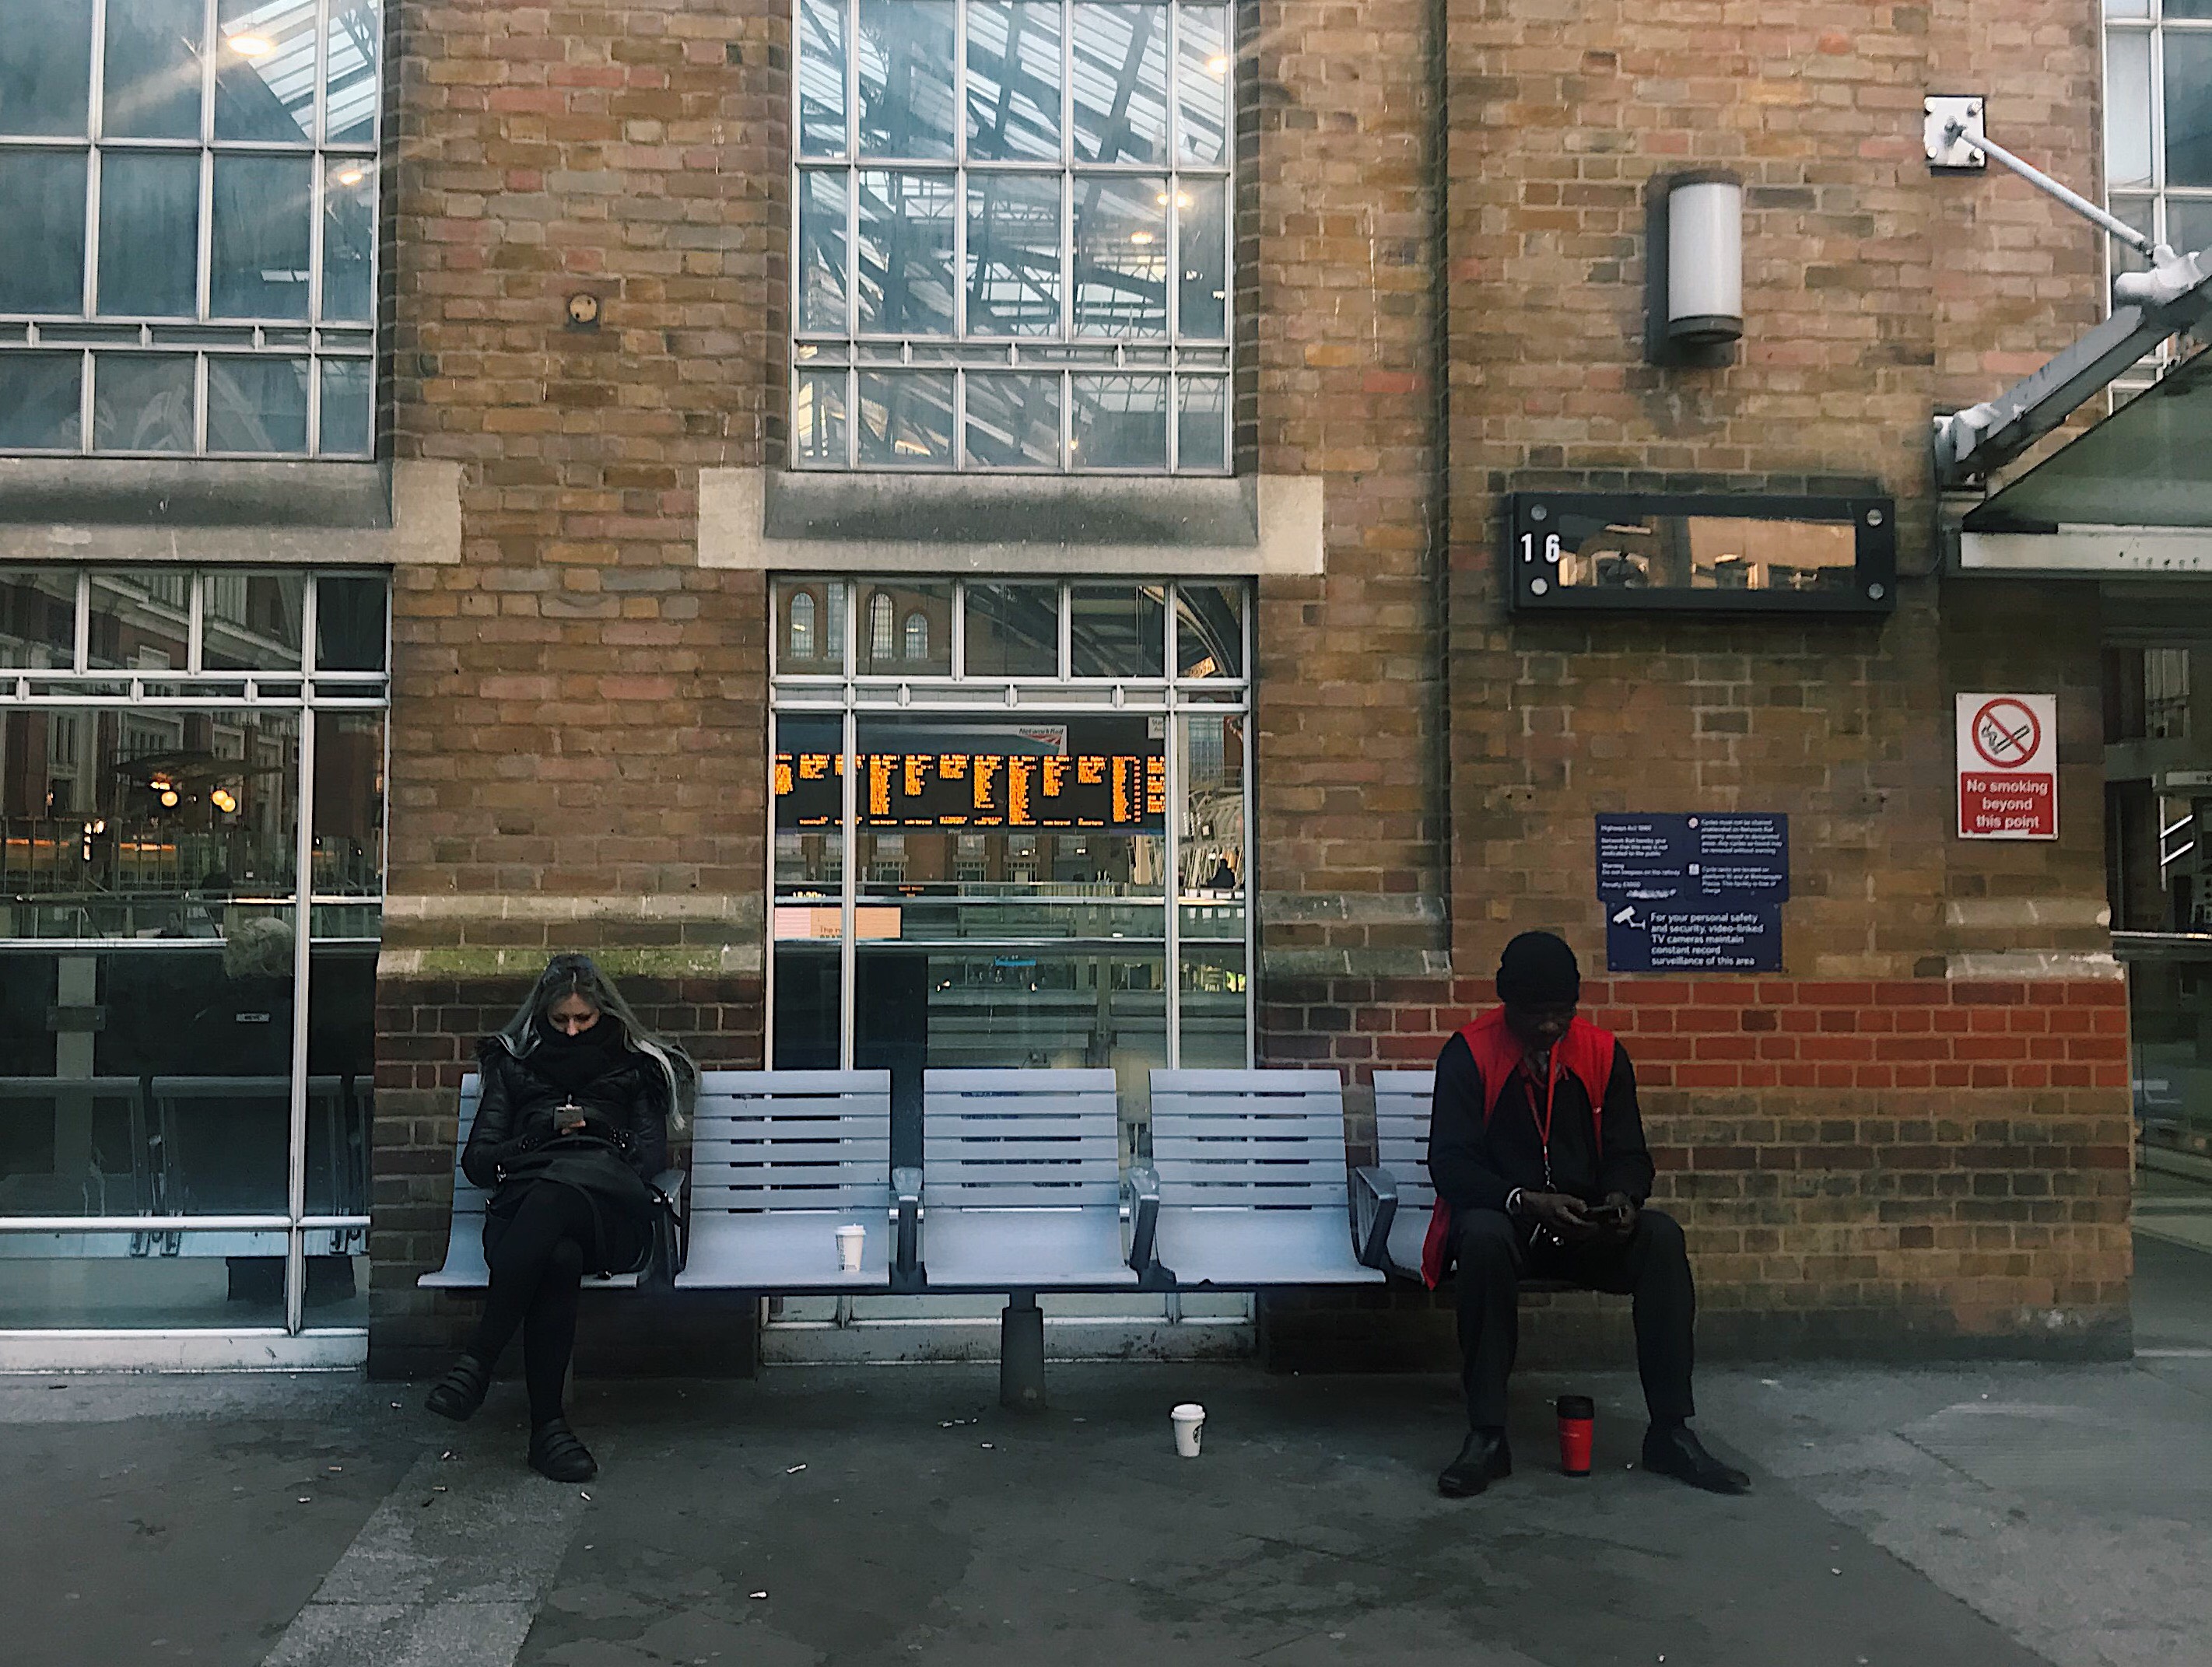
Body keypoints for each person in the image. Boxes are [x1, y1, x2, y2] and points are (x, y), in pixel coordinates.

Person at [1425, 930, 1749, 1498]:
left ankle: (1670, 1430)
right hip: (1510, 1224)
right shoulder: (1469, 1053)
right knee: (1477, 1236)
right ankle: (1487, 1434)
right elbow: (1449, 1164)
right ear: (1508, 1006)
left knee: (1660, 1238)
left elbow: (1630, 1154)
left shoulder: (1601, 1052)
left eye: (1561, 1013)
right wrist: (1523, 1200)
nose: (1550, 1027)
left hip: (1582, 1227)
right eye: (1535, 1014)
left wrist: (1623, 1200)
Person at [423, 953, 696, 1482]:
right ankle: (548, 1432)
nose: (571, 1030)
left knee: (557, 1199)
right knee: (557, 1253)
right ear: (542, 1016)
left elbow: (648, 1161)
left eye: (583, 1020)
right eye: (560, 1020)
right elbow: (479, 1163)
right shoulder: (514, 1063)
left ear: (604, 1014)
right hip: (524, 1214)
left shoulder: (634, 1066)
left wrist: (596, 1121)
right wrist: (540, 1134)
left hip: (607, 1216)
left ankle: (479, 1357)